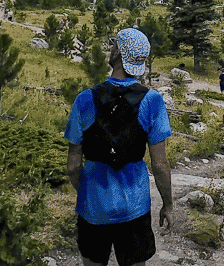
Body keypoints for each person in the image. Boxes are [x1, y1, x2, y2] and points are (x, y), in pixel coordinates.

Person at [66, 28, 172, 266]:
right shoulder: (152, 101)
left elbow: (73, 166)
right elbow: (161, 164)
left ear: (118, 55)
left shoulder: (85, 99)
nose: (111, 47)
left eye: (114, 44)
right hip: (134, 207)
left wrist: (84, 192)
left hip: (93, 206)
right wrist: (168, 203)